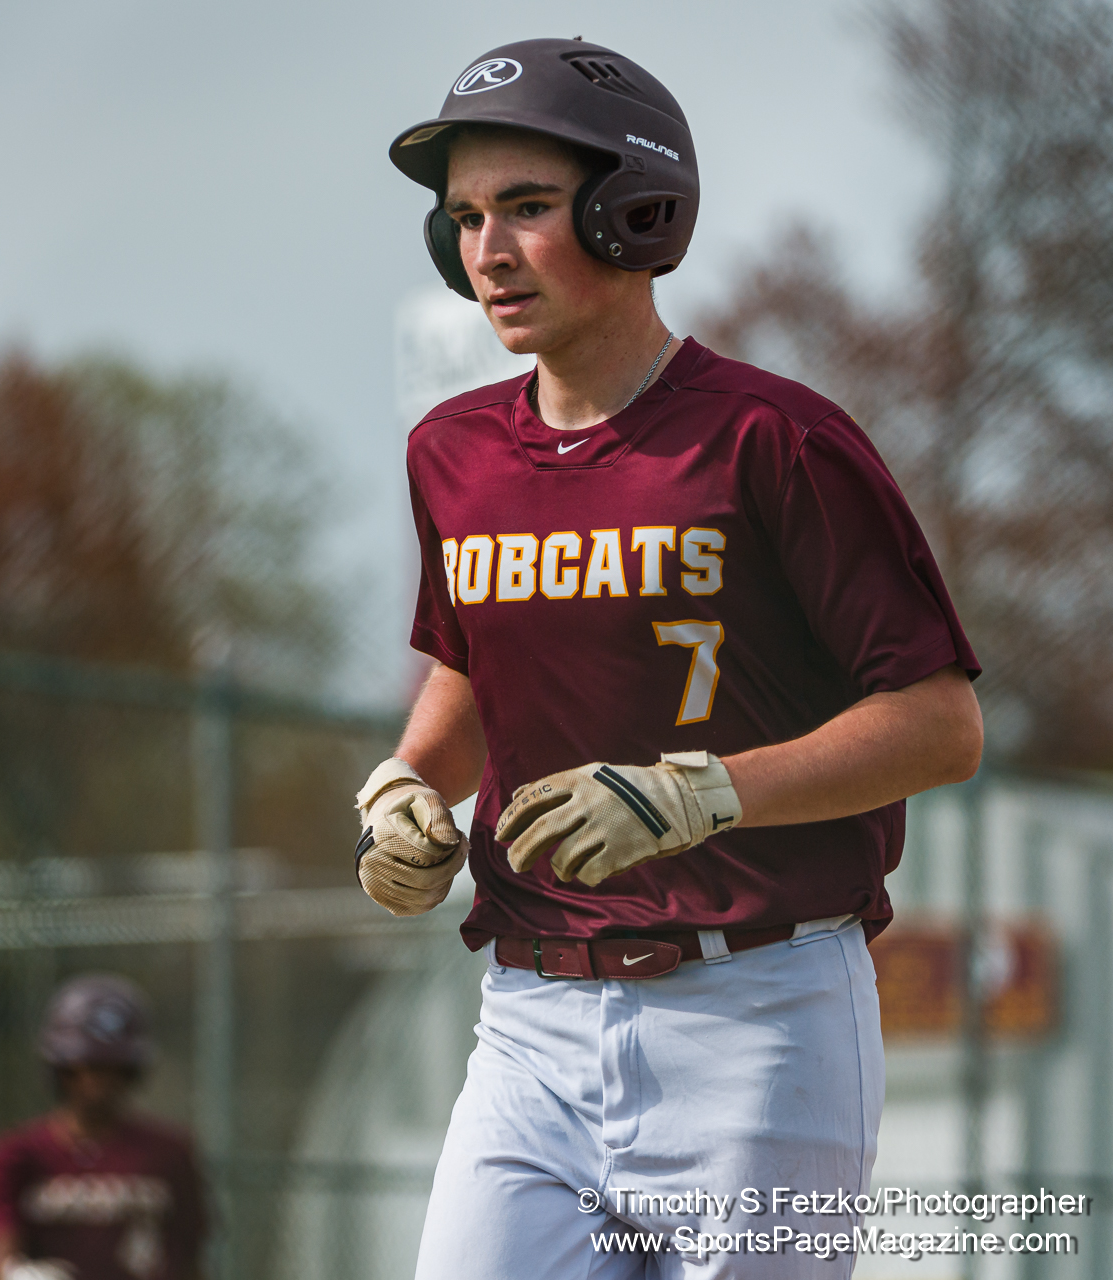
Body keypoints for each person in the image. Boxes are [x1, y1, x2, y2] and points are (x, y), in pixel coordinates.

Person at [354, 37, 985, 1279]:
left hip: (759, 1013)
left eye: (526, 207)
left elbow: (936, 722)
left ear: (635, 211)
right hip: (530, 1020)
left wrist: (704, 792)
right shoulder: (450, 452)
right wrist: (403, 785)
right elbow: (471, 668)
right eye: (464, 218)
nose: (486, 250)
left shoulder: (773, 437)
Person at [0, 974, 207, 1280]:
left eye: (116, 1068)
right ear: (62, 1067)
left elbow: (191, 1257)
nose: (101, 1082)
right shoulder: (17, 1154)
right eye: (90, 1066)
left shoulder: (169, 1152)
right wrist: (19, 1274)